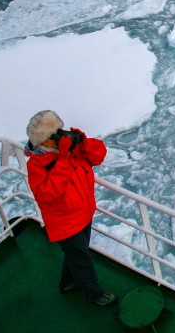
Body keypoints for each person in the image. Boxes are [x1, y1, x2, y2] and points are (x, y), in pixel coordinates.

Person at [25, 110, 116, 307]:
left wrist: (84, 142)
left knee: (75, 254)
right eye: (53, 136)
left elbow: (99, 156)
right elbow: (47, 195)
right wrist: (64, 160)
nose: (59, 137)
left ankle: (67, 282)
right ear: (43, 141)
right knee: (81, 259)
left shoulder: (72, 150)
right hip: (65, 223)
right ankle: (94, 293)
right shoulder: (37, 165)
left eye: (60, 131)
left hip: (83, 213)